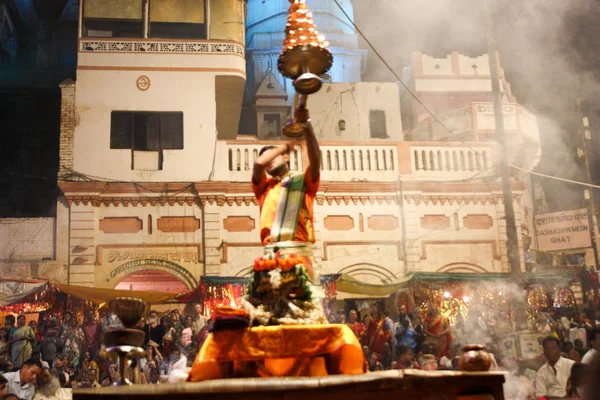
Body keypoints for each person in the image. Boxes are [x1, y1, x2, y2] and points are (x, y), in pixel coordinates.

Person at [250, 107, 322, 302]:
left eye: (273, 157)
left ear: (288, 159)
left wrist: (306, 126)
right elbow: (258, 165)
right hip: (271, 259)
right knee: (269, 314)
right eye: (267, 159)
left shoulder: (303, 182)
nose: (268, 162)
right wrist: (285, 146)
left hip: (300, 257)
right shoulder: (264, 188)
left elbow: (316, 160)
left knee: (306, 313)